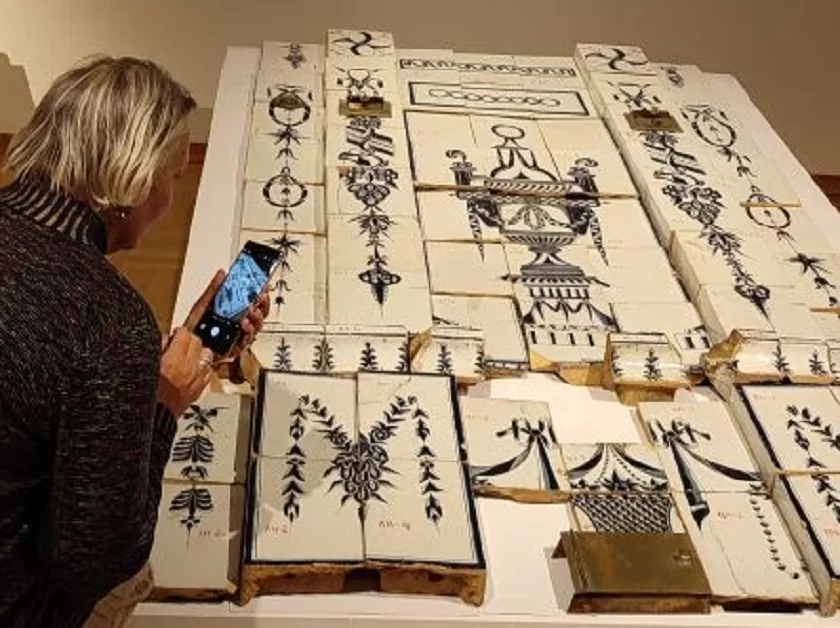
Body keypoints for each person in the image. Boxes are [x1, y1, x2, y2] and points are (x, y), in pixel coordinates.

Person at [0, 56, 270, 628]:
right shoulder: (107, 322)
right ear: (137, 179)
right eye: (173, 175)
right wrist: (163, 405)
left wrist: (172, 359)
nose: (170, 194)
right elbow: (94, 559)